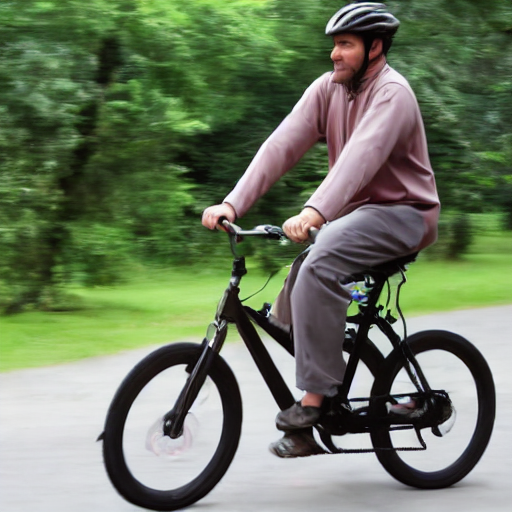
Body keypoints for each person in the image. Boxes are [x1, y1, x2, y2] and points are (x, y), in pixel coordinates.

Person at [202, 2, 440, 457]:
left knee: (321, 258)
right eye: (334, 44)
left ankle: (313, 404)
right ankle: (325, 364)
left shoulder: (393, 94)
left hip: (406, 212)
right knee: (304, 273)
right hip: (361, 215)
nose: (335, 53)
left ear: (374, 48)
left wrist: (315, 212)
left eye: (345, 44)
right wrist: (233, 201)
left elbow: (360, 160)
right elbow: (281, 145)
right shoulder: (328, 89)